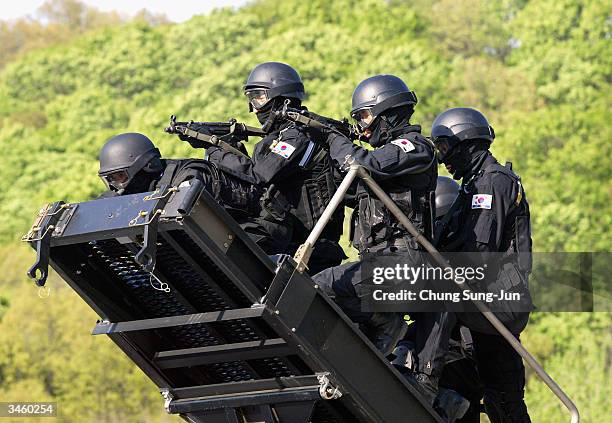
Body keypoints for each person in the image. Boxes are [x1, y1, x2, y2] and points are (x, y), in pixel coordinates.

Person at [311, 75, 470, 421]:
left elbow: (364, 164)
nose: (362, 128)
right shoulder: (385, 163)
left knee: (316, 288)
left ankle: (394, 336)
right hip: (377, 267)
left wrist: (333, 138)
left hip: (402, 266)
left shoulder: (416, 147)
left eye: (365, 117)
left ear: (388, 113)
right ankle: (440, 397)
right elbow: (352, 183)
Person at [428, 107, 533, 422]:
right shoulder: (472, 186)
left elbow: (479, 251)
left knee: (505, 402)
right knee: (463, 393)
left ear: (466, 141)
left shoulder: (492, 182)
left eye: (445, 147)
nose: (443, 157)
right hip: (478, 301)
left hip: (498, 301)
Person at [205, 61, 346, 274]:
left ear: (281, 97)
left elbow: (258, 175)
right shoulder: (280, 137)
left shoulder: (299, 135)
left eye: (259, 98)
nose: (254, 108)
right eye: (251, 99)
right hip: (290, 242)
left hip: (312, 251)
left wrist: (215, 149)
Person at [97, 132, 290, 254]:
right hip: (223, 242)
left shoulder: (190, 175)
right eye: (110, 179)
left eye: (120, 176)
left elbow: (178, 218)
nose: (117, 187)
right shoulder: (142, 189)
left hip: (262, 235)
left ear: (147, 166)